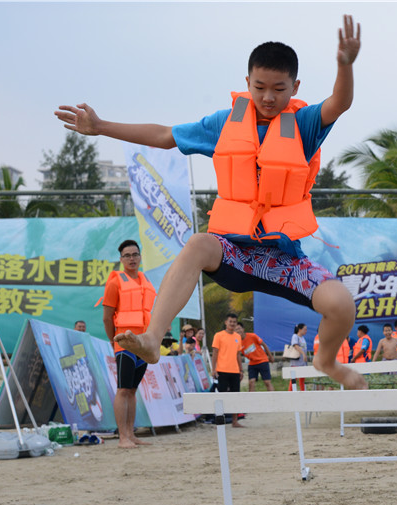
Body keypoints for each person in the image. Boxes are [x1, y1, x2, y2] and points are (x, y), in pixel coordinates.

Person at [54, 15, 366, 392]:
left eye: (279, 89)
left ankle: (327, 361)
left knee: (342, 304)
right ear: (247, 82)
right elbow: (166, 135)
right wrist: (102, 126)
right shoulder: (225, 123)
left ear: (294, 87)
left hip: (283, 259)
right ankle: (153, 338)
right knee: (199, 242)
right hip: (233, 251)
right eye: (260, 87)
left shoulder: (304, 124)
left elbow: (339, 103)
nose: (268, 97)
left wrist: (345, 65)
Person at [100, 239, 156, 449]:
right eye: (127, 255)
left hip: (143, 343)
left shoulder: (145, 280)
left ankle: (131, 434)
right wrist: (114, 340)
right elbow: (107, 317)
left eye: (135, 254)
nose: (132, 259)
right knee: (123, 389)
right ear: (121, 259)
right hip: (124, 342)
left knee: (133, 390)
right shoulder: (116, 281)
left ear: (140, 257)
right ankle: (122, 437)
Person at [211, 313, 244, 427]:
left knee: (235, 396)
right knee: (222, 395)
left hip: (235, 371)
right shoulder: (218, 335)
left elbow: (238, 354)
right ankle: (221, 420)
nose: (232, 324)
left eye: (234, 322)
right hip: (222, 370)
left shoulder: (237, 337)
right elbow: (215, 353)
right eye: (230, 321)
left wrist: (241, 370)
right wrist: (213, 369)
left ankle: (235, 421)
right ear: (226, 322)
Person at [235, 324, 274, 392]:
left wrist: (270, 357)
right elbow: (237, 355)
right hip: (252, 363)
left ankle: (273, 398)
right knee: (251, 382)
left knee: (267, 382)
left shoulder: (252, 336)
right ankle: (251, 400)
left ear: (243, 329)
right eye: (236, 330)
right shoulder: (237, 342)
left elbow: (264, 345)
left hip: (262, 361)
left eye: (239, 328)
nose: (238, 331)